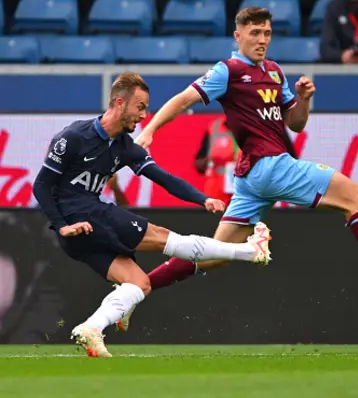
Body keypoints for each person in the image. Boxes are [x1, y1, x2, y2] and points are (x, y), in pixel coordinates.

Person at [127, 6, 358, 332]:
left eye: (266, 33)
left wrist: (302, 98)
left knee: (216, 255)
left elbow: (295, 123)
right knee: (355, 196)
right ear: (238, 36)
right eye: (254, 33)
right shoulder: (229, 70)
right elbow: (183, 99)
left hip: (253, 177)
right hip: (268, 166)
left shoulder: (275, 72)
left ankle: (134, 290)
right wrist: (151, 130)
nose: (262, 39)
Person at [32, 72, 272, 358]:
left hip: (80, 232)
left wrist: (203, 198)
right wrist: (61, 225)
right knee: (163, 238)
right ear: (119, 103)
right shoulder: (73, 137)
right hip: (82, 215)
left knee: (139, 283)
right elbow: (41, 185)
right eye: (140, 107)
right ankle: (249, 252)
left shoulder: (124, 147)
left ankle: (92, 328)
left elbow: (163, 178)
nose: (144, 116)